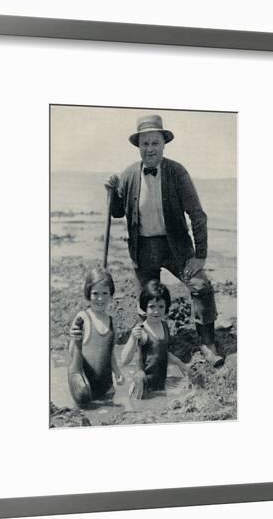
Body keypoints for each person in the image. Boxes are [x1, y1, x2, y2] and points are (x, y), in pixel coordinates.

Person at [106, 114, 223, 367]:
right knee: (146, 301)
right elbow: (117, 212)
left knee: (201, 286)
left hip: (176, 247)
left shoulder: (177, 172)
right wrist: (112, 192)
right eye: (145, 144)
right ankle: (152, 347)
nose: (150, 149)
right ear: (139, 146)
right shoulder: (128, 175)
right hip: (143, 248)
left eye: (154, 143)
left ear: (163, 144)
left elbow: (198, 216)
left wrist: (200, 255)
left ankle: (207, 343)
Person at [122, 280, 188, 399]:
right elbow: (124, 360)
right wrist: (132, 338)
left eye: (161, 306)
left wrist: (180, 363)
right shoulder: (142, 331)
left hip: (159, 385)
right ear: (144, 307)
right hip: (142, 386)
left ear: (166, 307)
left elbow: (161, 353)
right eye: (151, 306)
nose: (156, 311)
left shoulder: (164, 325)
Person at [68, 267, 125, 407]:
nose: (100, 298)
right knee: (85, 402)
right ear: (88, 294)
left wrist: (117, 371)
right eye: (95, 293)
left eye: (105, 293)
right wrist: (75, 339)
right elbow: (72, 352)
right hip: (86, 386)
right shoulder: (83, 317)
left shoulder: (112, 321)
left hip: (106, 387)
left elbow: (109, 353)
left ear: (111, 294)